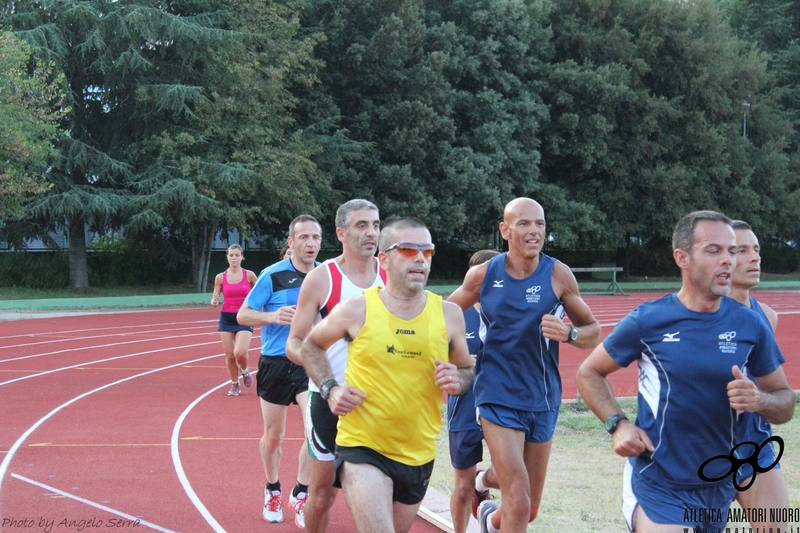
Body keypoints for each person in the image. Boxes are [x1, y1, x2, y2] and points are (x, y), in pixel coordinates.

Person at [575, 210, 794, 533]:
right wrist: (618, 424)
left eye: (731, 251)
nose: (728, 261)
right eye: (713, 250)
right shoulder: (648, 321)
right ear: (683, 258)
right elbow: (588, 372)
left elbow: (785, 401)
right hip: (661, 483)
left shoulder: (752, 323)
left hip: (721, 480)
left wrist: (759, 400)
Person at [300, 217, 473, 533]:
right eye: (408, 250)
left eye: (427, 251)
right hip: (362, 445)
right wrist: (330, 389)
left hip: (418, 452)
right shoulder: (356, 310)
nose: (420, 258)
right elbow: (310, 346)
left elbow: (466, 369)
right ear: (384, 259)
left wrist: (458, 379)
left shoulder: (449, 315)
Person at [447, 197, 601, 533]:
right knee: (517, 497)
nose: (534, 231)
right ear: (505, 230)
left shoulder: (558, 274)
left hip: (542, 397)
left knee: (527, 509)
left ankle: (488, 515)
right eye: (524, 223)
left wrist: (569, 332)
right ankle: (492, 491)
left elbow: (593, 332)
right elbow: (443, 315)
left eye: (540, 224)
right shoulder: (484, 274)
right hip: (496, 395)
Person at [285, 199, 384, 533]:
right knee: (323, 496)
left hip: (379, 404)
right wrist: (329, 385)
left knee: (378, 496)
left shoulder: (391, 273)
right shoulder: (322, 279)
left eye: (376, 224)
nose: (371, 232)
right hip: (330, 402)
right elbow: (294, 343)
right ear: (341, 233)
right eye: (361, 225)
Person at [237, 215, 323, 529]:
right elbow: (244, 313)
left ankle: (300, 493)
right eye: (303, 237)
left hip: (309, 363)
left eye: (315, 237)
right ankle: (273, 489)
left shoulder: (325, 276)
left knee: (316, 434)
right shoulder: (272, 276)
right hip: (274, 363)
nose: (310, 243)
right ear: (291, 242)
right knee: (274, 437)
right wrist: (273, 317)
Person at [729, 220, 788, 530]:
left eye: (757, 249)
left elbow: (775, 388)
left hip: (755, 444)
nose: (755, 258)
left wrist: (759, 398)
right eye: (743, 250)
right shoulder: (698, 314)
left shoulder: (767, 316)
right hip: (703, 448)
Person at [447, 249, 499, 533]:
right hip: (464, 409)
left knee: (513, 474)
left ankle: (484, 483)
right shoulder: (456, 313)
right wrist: (462, 363)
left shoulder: (508, 312)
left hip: (501, 406)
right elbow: (433, 357)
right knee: (462, 486)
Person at [211, 244, 258, 396]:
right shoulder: (220, 277)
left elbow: (259, 292)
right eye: (231, 255)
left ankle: (244, 371)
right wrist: (214, 300)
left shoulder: (249, 275)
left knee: (240, 352)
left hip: (244, 317)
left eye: (237, 255)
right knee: (230, 356)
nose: (234, 258)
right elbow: (215, 295)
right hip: (226, 317)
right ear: (227, 257)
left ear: (242, 257)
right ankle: (234, 384)